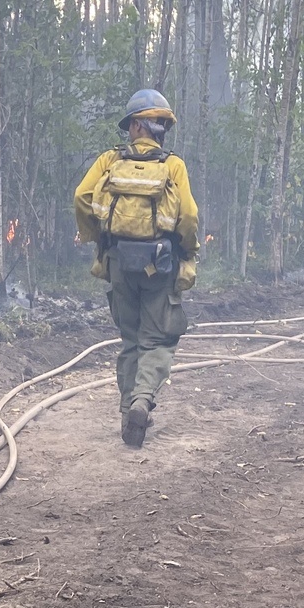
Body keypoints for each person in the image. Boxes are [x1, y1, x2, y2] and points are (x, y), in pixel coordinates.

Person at [74, 90, 202, 448]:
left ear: (133, 126)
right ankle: (143, 401)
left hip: (118, 263)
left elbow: (82, 196)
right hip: (160, 265)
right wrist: (188, 253)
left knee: (130, 339)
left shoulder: (108, 161)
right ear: (159, 128)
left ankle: (127, 412)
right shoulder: (173, 165)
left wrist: (96, 238)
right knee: (157, 338)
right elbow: (188, 216)